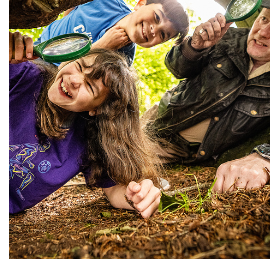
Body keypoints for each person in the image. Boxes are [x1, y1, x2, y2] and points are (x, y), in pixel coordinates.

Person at [144, 0, 270, 193]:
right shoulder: (227, 38)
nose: (263, 32)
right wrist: (194, 47)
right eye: (264, 19)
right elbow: (176, 67)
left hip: (184, 150)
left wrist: (269, 157)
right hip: (160, 120)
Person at [9, 31, 162, 218]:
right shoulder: (23, 75)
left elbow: (115, 192)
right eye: (79, 66)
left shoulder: (89, 141)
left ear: (96, 109)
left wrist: (138, 195)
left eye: (90, 86)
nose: (74, 80)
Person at [36, 0, 190, 65]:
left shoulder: (123, 61)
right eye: (157, 17)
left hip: (51, 73)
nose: (154, 30)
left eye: (162, 34)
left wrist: (101, 47)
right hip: (39, 44)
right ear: (141, 4)